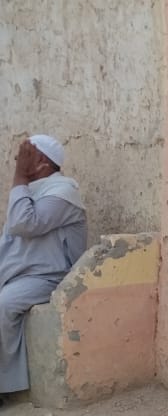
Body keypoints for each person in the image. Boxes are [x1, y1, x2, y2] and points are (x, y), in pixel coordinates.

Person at [0, 135, 88, 398]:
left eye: (24, 157)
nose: (18, 162)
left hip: (49, 277)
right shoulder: (31, 189)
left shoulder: (63, 192)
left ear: (42, 162)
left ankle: (4, 386)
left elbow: (24, 224)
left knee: (4, 305)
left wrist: (19, 178)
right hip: (18, 272)